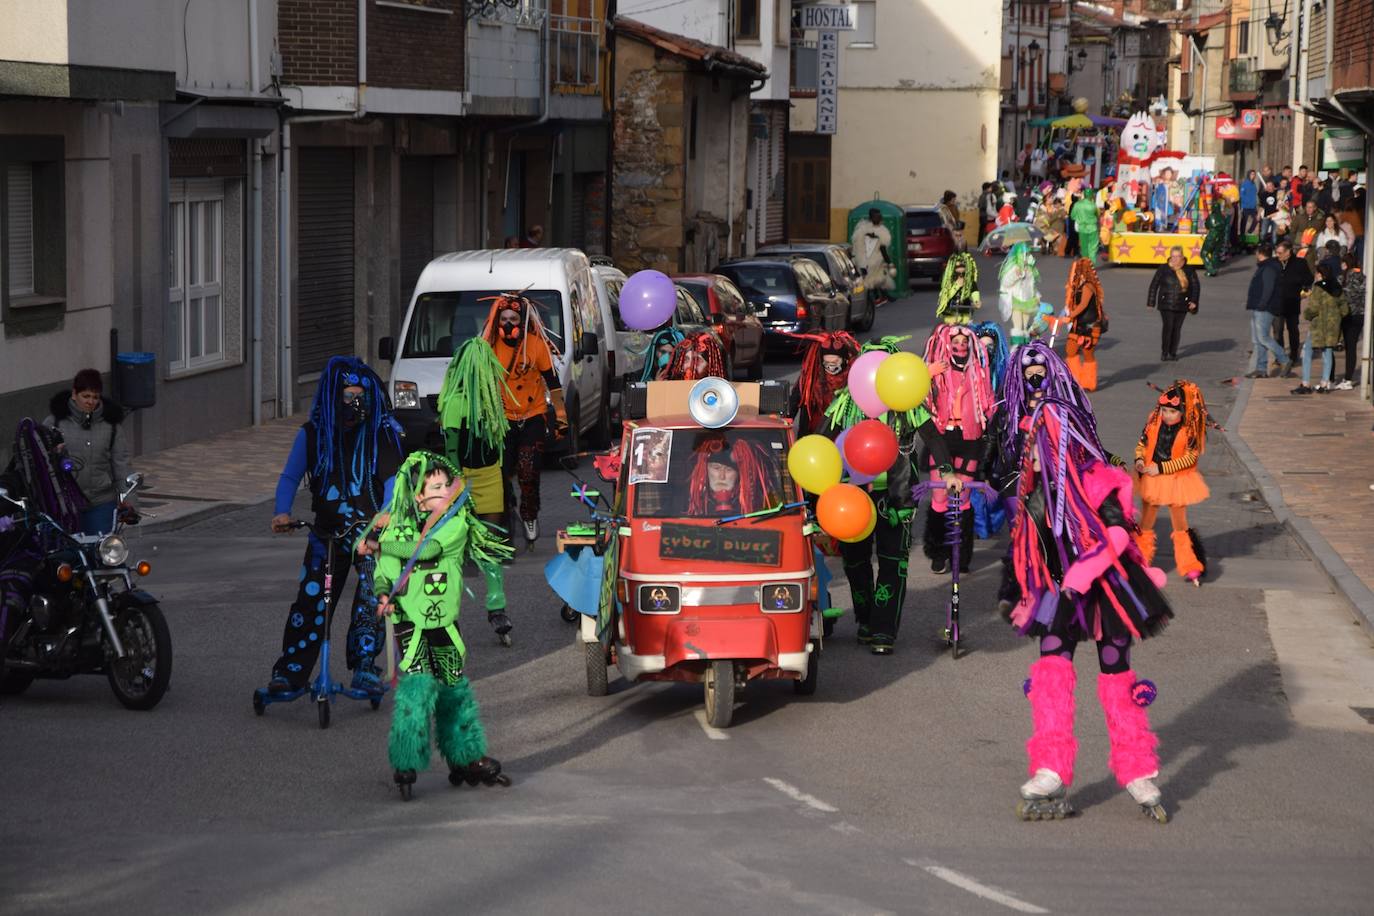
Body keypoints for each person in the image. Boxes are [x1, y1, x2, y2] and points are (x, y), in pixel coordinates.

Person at [1008, 394, 1173, 823]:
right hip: (1058, 593)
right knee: (1050, 676)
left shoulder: (1097, 479)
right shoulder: (1033, 490)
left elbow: (1118, 535)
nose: (1029, 451)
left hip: (1106, 591)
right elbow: (1029, 547)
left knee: (1117, 676)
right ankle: (1049, 768)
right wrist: (1017, 588)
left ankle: (1137, 769)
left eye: (1035, 441)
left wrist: (1083, 574)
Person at [371, 451, 513, 799]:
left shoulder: (456, 522)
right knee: (417, 689)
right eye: (435, 487)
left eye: (447, 485)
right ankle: (405, 760)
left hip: (444, 625)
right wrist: (382, 593)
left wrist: (377, 542)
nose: (445, 491)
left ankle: (465, 756)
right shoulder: (399, 525)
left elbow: (428, 549)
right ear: (418, 496)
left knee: (453, 689)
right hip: (410, 623)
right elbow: (385, 570)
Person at [264, 356, 404, 698]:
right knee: (310, 603)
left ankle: (364, 667)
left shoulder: (382, 432)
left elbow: (392, 481)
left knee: (372, 597)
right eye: (347, 396)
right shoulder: (314, 433)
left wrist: (385, 517)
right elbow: (290, 476)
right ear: (332, 397)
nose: (355, 403)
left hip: (371, 535)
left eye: (361, 395)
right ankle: (291, 672)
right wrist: (282, 512)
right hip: (325, 533)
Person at [824, 337, 959, 655]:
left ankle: (884, 630)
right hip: (853, 494)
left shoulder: (906, 403)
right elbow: (822, 436)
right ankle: (866, 620)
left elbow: (933, 438)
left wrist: (948, 471)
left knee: (892, 561)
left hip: (896, 496)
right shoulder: (848, 401)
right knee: (855, 562)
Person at [436, 337, 514, 642]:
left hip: (491, 477)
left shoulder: (492, 399)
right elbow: (451, 451)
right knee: (456, 548)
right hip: (463, 480)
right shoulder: (455, 402)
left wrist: (505, 479)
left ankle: (497, 607)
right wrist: (456, 489)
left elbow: (501, 444)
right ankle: (446, 612)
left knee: (491, 547)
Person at [482, 293, 568, 546]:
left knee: (529, 471)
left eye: (514, 318)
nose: (508, 323)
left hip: (532, 416)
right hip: (502, 419)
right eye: (504, 318)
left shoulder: (536, 345)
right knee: (502, 474)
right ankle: (505, 520)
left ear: (523, 320)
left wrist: (561, 418)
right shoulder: (488, 348)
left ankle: (530, 514)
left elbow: (553, 384)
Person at [1, 419, 87, 648]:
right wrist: (9, 520)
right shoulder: (14, 481)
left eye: (60, 450)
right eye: (53, 451)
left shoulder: (61, 482)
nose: (60, 455)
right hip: (22, 552)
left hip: (59, 549)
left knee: (90, 576)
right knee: (14, 590)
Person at [921, 324, 997, 577]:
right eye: (956, 343)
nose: (961, 346)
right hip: (941, 437)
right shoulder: (937, 371)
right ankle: (938, 553)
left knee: (962, 499)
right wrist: (926, 372)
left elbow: (989, 405)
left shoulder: (979, 373)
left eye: (965, 342)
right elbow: (911, 390)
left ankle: (961, 555)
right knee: (940, 497)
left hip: (970, 438)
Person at [1133, 380, 1211, 584]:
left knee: (1179, 524)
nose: (1167, 415)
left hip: (1177, 481)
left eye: (1172, 412)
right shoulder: (1153, 421)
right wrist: (1140, 460)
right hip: (1151, 478)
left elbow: (1189, 459)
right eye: (1165, 410)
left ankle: (1190, 565)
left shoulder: (1190, 430)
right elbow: (1142, 444)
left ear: (1183, 412)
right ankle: (1139, 562)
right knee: (1146, 522)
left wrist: (1161, 467)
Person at [42, 369, 134, 535]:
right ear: (74, 394)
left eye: (95, 397)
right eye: (86, 396)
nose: (90, 402)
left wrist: (129, 500)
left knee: (103, 552)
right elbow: (40, 461)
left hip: (101, 502)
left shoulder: (111, 426)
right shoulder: (54, 422)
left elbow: (121, 464)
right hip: (65, 504)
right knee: (68, 555)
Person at [1291, 262, 1350, 395]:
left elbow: (1313, 308)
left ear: (1320, 274)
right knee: (1327, 352)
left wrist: (1307, 315)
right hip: (1333, 326)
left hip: (1319, 326)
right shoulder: (1337, 287)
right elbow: (1345, 309)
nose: (1315, 275)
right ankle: (1324, 383)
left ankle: (1305, 383)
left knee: (1307, 351)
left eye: (1317, 273)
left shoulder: (1318, 288)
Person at [685, 435, 777, 518]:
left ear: (738, 475)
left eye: (729, 470)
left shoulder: (760, 503)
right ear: (706, 470)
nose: (722, 476)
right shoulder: (688, 503)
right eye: (716, 468)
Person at [791, 331, 860, 436]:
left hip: (841, 439)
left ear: (845, 360)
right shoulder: (810, 379)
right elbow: (793, 403)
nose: (830, 367)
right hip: (811, 438)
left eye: (834, 363)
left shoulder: (853, 379)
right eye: (827, 363)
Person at [1243, 244, 1291, 379]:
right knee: (1257, 340)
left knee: (1263, 337)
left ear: (1260, 254)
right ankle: (1261, 368)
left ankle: (1284, 359)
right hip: (1259, 307)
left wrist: (1262, 304)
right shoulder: (1266, 266)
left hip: (1264, 308)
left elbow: (1268, 289)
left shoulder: (1268, 268)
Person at [1146, 246, 1200, 362]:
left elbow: (1195, 287)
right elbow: (1154, 285)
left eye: (1178, 256)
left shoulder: (1189, 269)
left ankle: (1173, 352)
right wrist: (1151, 302)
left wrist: (1194, 301)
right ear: (1170, 256)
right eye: (1173, 256)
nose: (1175, 259)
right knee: (1168, 327)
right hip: (1166, 303)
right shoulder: (1163, 269)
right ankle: (1165, 352)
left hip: (1182, 303)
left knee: (1177, 329)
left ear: (1182, 257)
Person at [1062, 258, 1108, 391]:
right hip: (1079, 324)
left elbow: (1083, 305)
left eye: (1076, 270)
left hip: (1090, 326)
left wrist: (1070, 316)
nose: (1074, 273)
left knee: (1088, 354)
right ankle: (1075, 379)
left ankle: (1088, 382)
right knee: (1070, 350)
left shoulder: (1088, 286)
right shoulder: (1079, 286)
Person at [1273, 240, 1312, 367]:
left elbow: (1308, 278)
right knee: (1277, 331)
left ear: (1288, 252)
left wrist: (1300, 284)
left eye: (1280, 253)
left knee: (1293, 330)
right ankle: (1280, 356)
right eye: (1276, 253)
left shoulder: (1300, 263)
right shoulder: (1274, 263)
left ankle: (1294, 355)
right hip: (1277, 303)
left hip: (1292, 302)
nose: (1278, 255)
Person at [999, 242, 1042, 346]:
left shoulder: (1030, 269)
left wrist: (1037, 295)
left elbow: (1032, 285)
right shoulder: (1014, 267)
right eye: (1025, 254)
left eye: (1028, 254)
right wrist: (1016, 275)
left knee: (1025, 325)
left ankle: (1026, 344)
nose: (1028, 256)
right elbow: (1005, 282)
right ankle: (1017, 346)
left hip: (1028, 300)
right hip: (1016, 299)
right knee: (1017, 326)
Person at [851, 207, 896, 304]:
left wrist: (887, 261)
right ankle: (876, 297)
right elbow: (859, 244)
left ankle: (883, 296)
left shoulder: (880, 230)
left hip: (876, 258)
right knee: (871, 279)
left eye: (879, 216)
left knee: (879, 277)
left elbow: (883, 247)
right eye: (876, 216)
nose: (879, 218)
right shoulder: (864, 230)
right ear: (872, 217)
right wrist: (889, 261)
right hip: (868, 258)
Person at [1336, 252, 1365, 390]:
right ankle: (1348, 377)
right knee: (1352, 346)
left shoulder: (1343, 277)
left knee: (1348, 346)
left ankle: (1347, 378)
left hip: (1347, 315)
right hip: (1360, 315)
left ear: (1346, 264)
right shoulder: (1363, 277)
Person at [662, 330, 729, 381]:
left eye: (697, 361)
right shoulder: (672, 389)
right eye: (686, 360)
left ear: (711, 365)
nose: (689, 366)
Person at [936, 252, 980, 324]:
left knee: (966, 327)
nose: (960, 269)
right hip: (950, 313)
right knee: (952, 328)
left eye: (963, 266)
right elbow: (946, 295)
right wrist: (956, 286)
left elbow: (974, 291)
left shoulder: (969, 281)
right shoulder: (949, 281)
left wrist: (976, 301)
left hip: (965, 311)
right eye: (958, 267)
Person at [1292, 199, 1327, 267]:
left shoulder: (1320, 219)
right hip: (1299, 244)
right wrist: (1297, 242)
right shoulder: (1299, 217)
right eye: (1307, 207)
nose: (1308, 209)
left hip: (1314, 245)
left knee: (1311, 259)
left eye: (1310, 207)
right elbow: (1293, 232)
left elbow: (1322, 232)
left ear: (1315, 208)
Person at [1200, 195, 1228, 277]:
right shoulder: (1223, 217)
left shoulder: (1212, 217)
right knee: (1215, 253)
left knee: (1204, 253)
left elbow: (1207, 225)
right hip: (1221, 236)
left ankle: (1210, 269)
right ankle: (1215, 269)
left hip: (1212, 236)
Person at [1069, 191, 1100, 263]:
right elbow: (1097, 215)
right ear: (1091, 196)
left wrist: (1080, 218)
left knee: (1084, 247)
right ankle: (1092, 264)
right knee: (1092, 247)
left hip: (1082, 228)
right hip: (1092, 227)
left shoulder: (1077, 205)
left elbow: (1072, 216)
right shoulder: (1093, 205)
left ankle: (1086, 264)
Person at [1238, 170, 1259, 243]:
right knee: (1244, 221)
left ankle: (1250, 231)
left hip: (1253, 206)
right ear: (1249, 175)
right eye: (1252, 174)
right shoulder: (1245, 184)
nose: (1253, 176)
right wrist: (1245, 203)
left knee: (1257, 219)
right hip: (1246, 206)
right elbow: (1242, 194)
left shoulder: (1254, 184)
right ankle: (1242, 236)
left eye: (1254, 174)